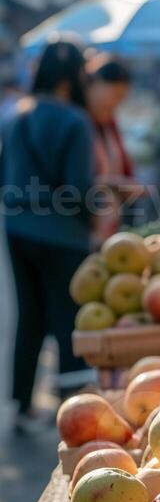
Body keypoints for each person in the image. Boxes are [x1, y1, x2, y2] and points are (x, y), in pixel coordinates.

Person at [0, 37, 96, 431]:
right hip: (63, 235)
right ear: (73, 76)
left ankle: (23, 405)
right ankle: (71, 408)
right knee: (68, 317)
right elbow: (78, 189)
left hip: (18, 227)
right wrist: (93, 219)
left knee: (30, 316)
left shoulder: (14, 115)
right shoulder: (75, 121)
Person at [86, 55, 139, 240]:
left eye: (122, 98)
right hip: (84, 226)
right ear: (95, 86)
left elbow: (125, 167)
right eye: (115, 95)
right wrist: (113, 182)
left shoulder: (109, 124)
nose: (117, 103)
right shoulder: (77, 126)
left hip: (110, 223)